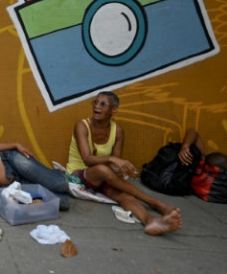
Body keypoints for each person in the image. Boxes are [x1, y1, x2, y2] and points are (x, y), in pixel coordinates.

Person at [66, 91, 182, 236]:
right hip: (79, 175)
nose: (97, 106)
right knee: (103, 169)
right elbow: (87, 159)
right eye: (95, 102)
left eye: (103, 104)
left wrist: (118, 170)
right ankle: (155, 202)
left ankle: (150, 220)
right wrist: (111, 160)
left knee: (125, 196)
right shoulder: (82, 126)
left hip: (104, 177)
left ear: (114, 110)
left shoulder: (118, 131)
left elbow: (115, 164)